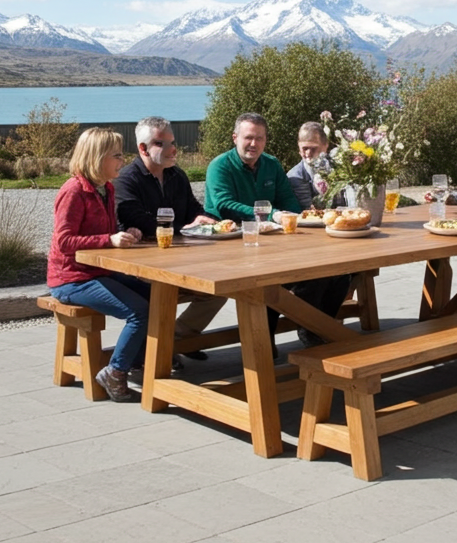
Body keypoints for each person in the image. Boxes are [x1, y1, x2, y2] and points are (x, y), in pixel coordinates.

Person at [205, 112, 350, 349]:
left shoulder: (271, 164)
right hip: (231, 244)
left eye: (259, 138)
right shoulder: (220, 166)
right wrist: (272, 214)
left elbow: (289, 203)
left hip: (273, 242)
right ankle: (267, 344)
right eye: (248, 137)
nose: (254, 144)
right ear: (235, 138)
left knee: (338, 273)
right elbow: (224, 204)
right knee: (273, 283)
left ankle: (315, 329)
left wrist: (292, 216)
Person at [46, 127, 147, 403]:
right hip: (71, 279)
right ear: (97, 157)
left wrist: (127, 235)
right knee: (139, 311)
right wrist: (109, 239)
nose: (122, 160)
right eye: (116, 155)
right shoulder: (74, 191)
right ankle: (115, 372)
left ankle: (137, 360)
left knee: (154, 294)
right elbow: (64, 241)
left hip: (97, 271)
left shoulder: (107, 188)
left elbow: (107, 232)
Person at [117, 116, 227, 354]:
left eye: (172, 142)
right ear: (142, 148)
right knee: (162, 294)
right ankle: (155, 352)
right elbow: (142, 223)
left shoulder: (177, 174)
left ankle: (173, 342)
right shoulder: (126, 180)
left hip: (179, 260)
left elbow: (193, 208)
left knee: (218, 289)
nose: (172, 149)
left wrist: (203, 218)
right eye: (161, 143)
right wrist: (185, 228)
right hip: (142, 267)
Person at [287, 121, 340, 209]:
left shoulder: (340, 168)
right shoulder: (296, 176)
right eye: (305, 148)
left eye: (313, 148)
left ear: (326, 145)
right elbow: (308, 210)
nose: (308, 153)